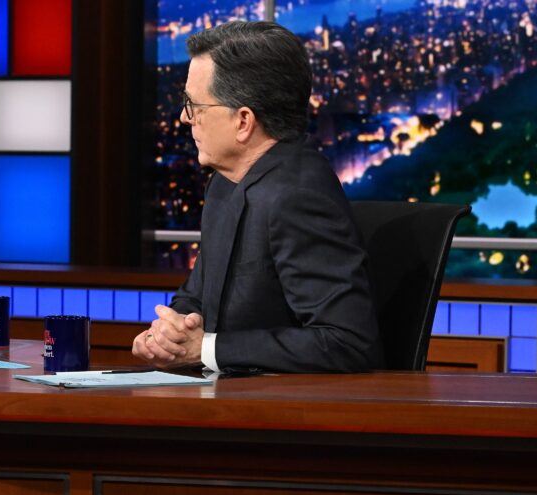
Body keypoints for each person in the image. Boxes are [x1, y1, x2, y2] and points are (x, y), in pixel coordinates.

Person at [132, 21, 383, 373]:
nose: (184, 118)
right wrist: (167, 336)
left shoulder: (298, 195)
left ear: (243, 121)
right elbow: (198, 296)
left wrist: (205, 349)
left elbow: (347, 343)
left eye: (194, 105)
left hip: (283, 403)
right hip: (224, 394)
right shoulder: (224, 183)